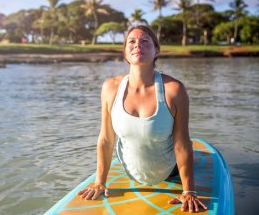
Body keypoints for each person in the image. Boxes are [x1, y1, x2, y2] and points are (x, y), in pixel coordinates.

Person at [78, 25, 208, 213]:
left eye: (145, 41)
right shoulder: (110, 88)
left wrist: (189, 190)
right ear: (125, 52)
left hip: (170, 172)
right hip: (130, 172)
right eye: (131, 41)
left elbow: (181, 142)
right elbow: (106, 139)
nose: (137, 45)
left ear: (156, 52)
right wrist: (99, 182)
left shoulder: (174, 90)